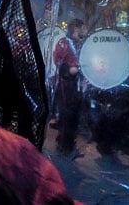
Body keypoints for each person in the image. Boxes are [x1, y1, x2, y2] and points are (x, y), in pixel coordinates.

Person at [53, 18, 87, 158]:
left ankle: (68, 144)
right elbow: (57, 62)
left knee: (74, 116)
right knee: (67, 115)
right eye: (83, 28)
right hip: (66, 84)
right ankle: (64, 147)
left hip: (77, 84)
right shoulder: (64, 43)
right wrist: (69, 70)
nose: (85, 31)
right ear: (76, 29)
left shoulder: (80, 44)